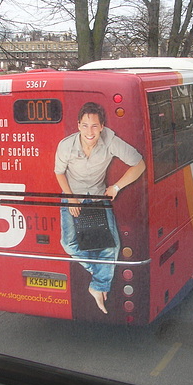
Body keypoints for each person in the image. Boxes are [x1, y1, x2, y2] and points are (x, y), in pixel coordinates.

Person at [54, 102, 145, 314]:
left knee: (111, 247)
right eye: (85, 125)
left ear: (102, 126)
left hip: (97, 197)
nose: (90, 131)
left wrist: (116, 186)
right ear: (78, 126)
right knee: (67, 243)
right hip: (72, 195)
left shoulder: (110, 140)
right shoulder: (65, 146)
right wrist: (71, 199)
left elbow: (139, 164)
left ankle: (98, 285)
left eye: (94, 126)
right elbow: (59, 173)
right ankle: (100, 281)